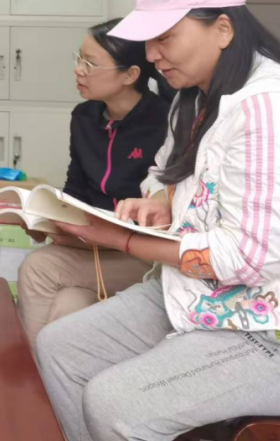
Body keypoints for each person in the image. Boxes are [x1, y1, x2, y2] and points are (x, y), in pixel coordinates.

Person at [37, 0, 280, 441]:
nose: (152, 55)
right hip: (191, 294)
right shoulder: (192, 99)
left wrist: (122, 240)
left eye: (165, 37)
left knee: (114, 402)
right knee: (59, 346)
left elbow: (251, 257)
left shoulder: (264, 107)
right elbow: (162, 174)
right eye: (149, 40)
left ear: (223, 29)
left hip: (262, 325)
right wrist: (161, 201)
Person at [17, 18, 170, 349]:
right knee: (68, 305)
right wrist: (45, 220)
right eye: (79, 59)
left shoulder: (165, 122)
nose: (79, 70)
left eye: (90, 63)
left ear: (130, 75)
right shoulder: (84, 117)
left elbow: (165, 207)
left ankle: (29, 374)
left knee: (38, 267)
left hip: (141, 255)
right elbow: (75, 189)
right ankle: (45, 375)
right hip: (91, 248)